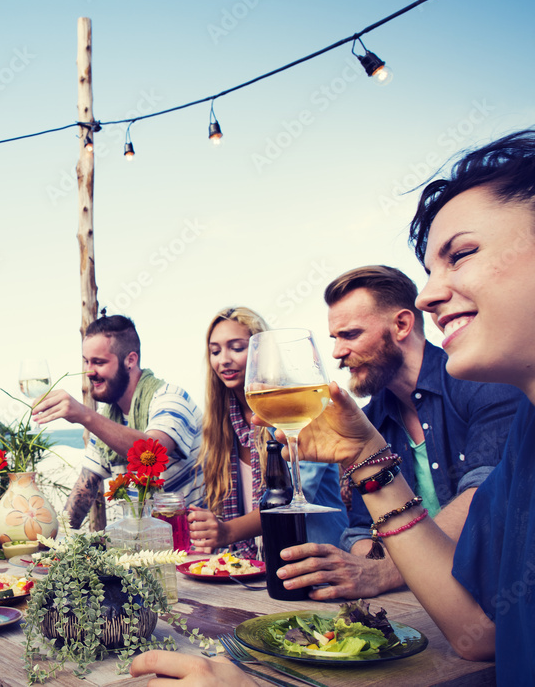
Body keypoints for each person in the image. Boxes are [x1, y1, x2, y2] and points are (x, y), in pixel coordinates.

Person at [134, 130, 535, 683]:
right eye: (429, 270)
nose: (427, 294)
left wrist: (376, 572)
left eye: (461, 255)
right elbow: (480, 632)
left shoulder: (497, 394)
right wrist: (368, 456)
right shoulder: (497, 437)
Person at [279, 266, 522, 600]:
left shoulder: (484, 382)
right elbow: (364, 528)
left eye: (349, 335)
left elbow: (487, 499)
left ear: (402, 325)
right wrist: (364, 566)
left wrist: (386, 570)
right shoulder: (368, 420)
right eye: (334, 338)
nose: (336, 352)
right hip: (415, 600)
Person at [189, 307, 346, 559]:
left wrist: (227, 532)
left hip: (320, 558)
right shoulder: (220, 426)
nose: (223, 360)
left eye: (236, 348)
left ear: (261, 354)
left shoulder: (299, 408)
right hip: (257, 569)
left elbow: (292, 500)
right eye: (215, 351)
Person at [31, 313, 203, 527]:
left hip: (192, 548)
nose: (89, 372)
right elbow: (84, 489)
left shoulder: (172, 399)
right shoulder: (107, 420)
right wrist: (57, 541)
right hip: (141, 548)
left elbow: (152, 451)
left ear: (130, 360)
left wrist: (84, 415)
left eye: (99, 362)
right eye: (86, 361)